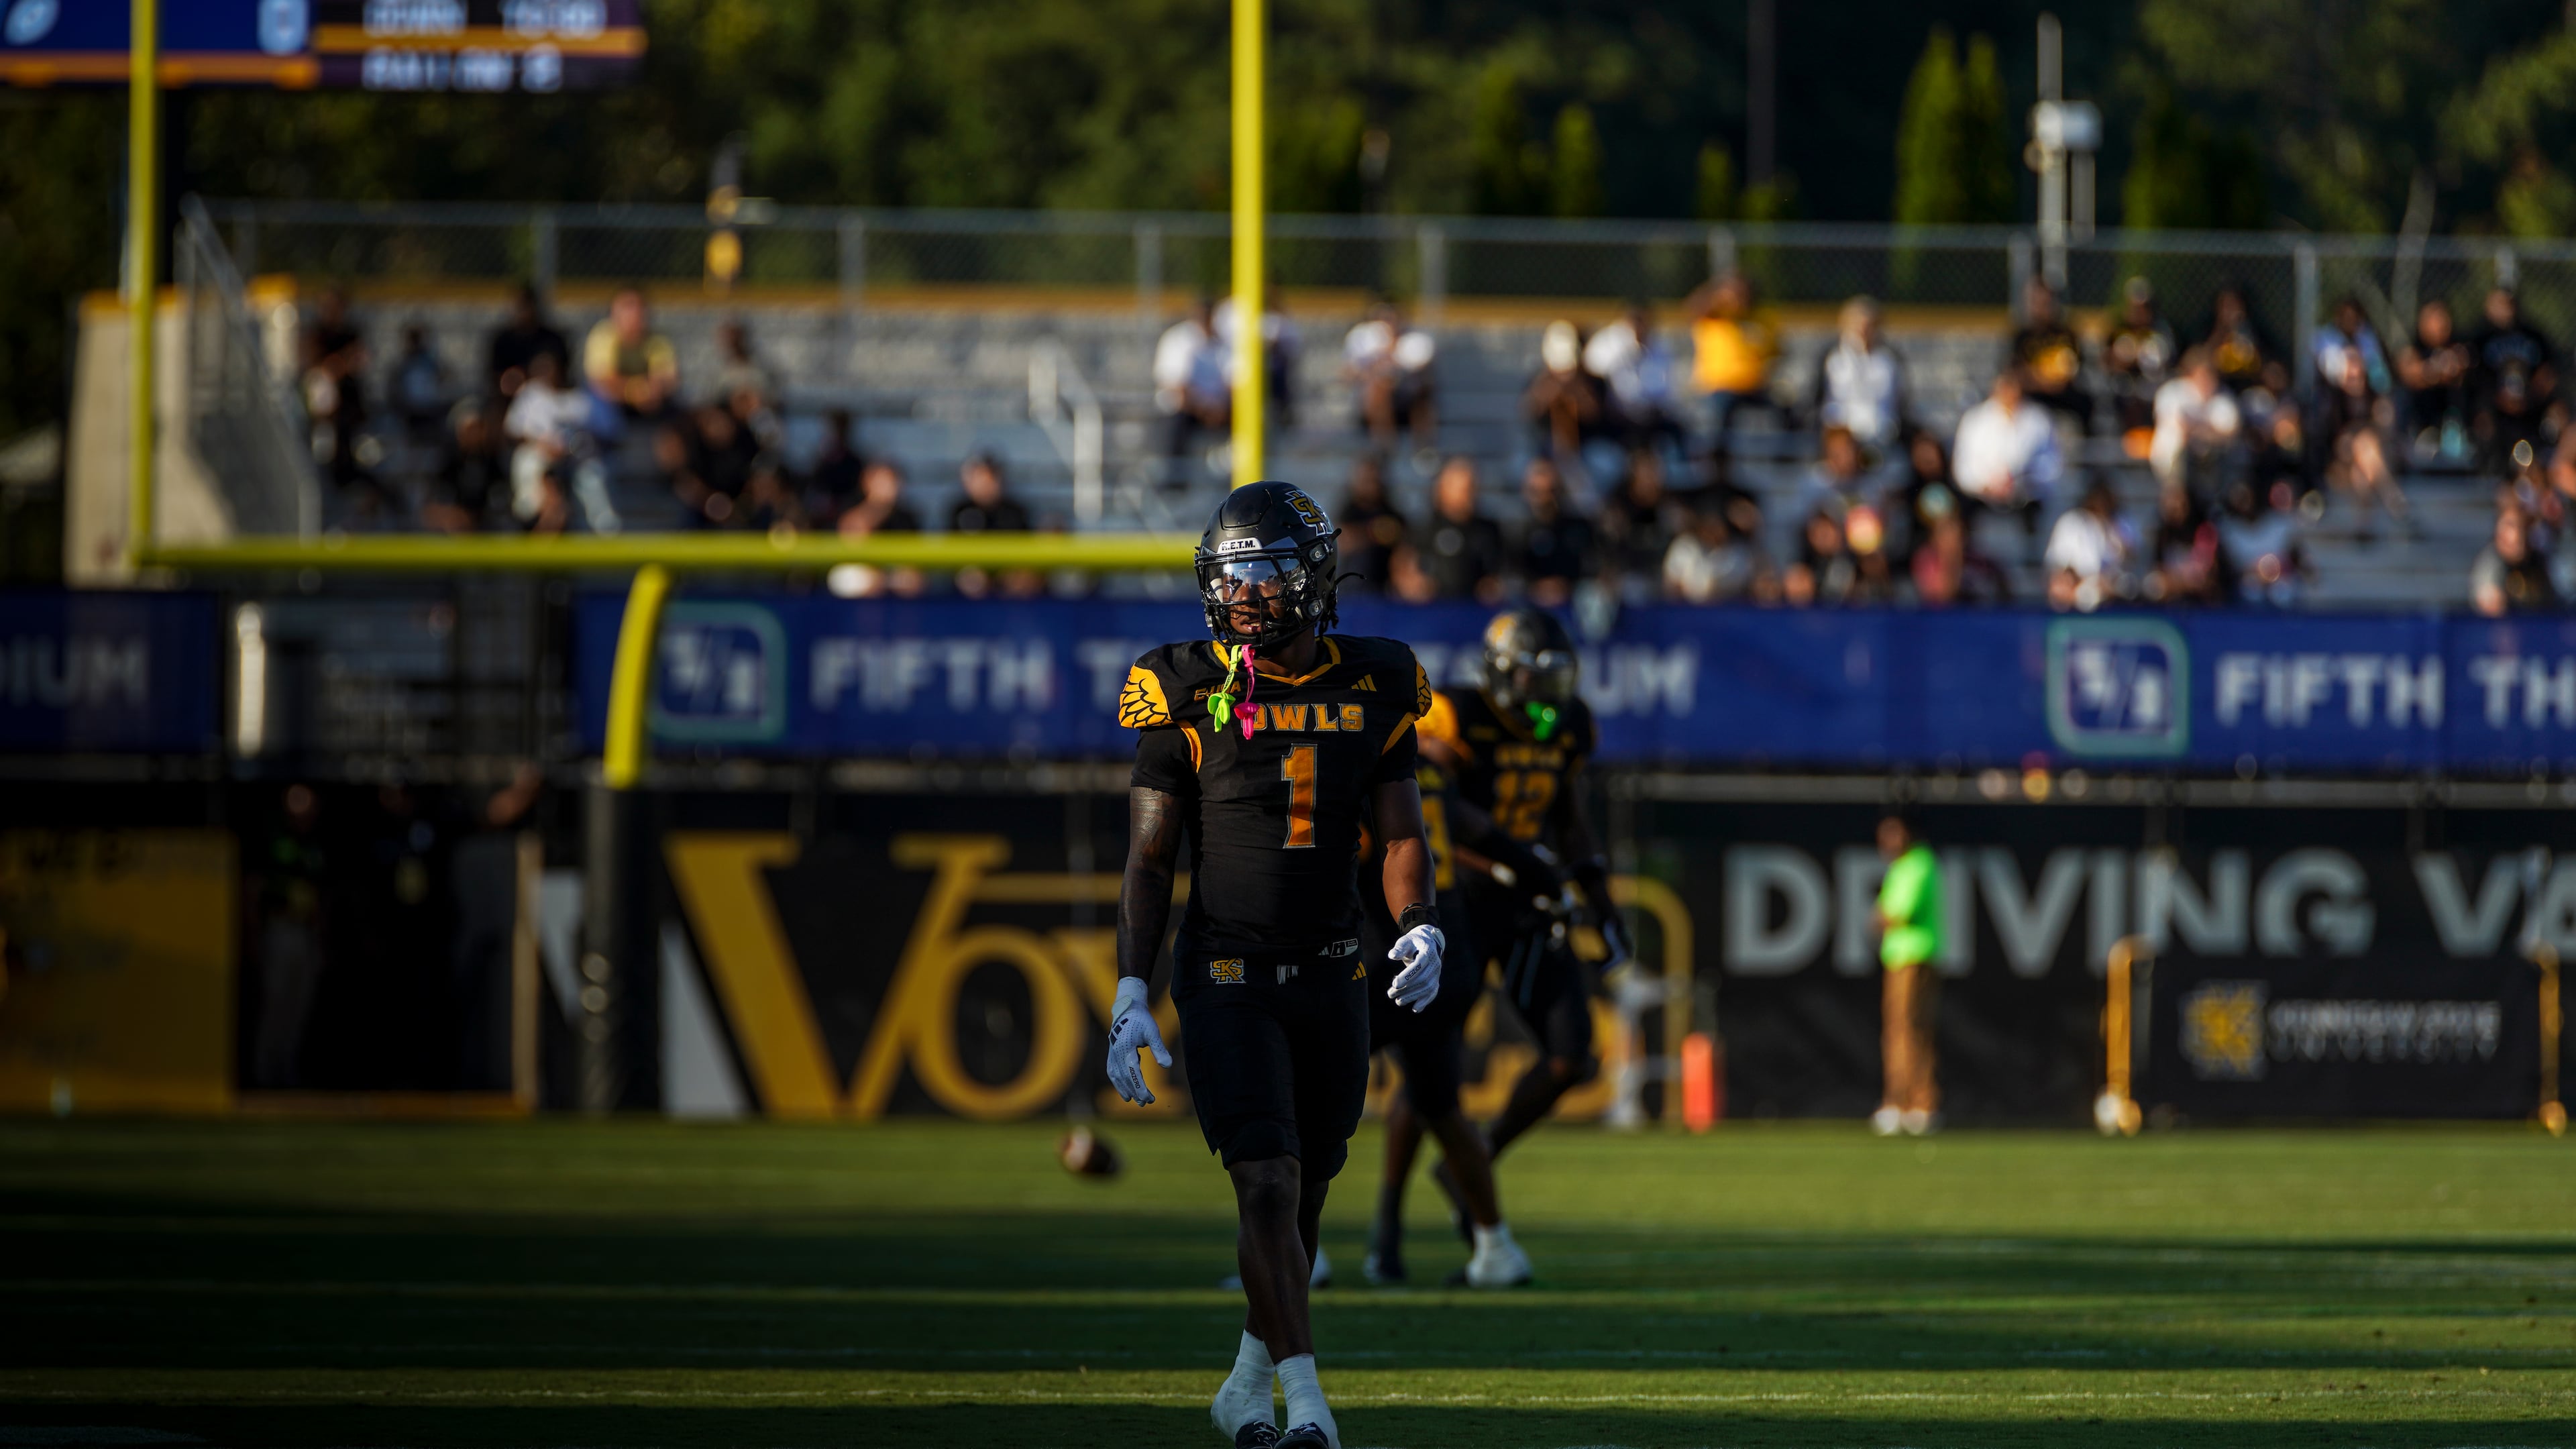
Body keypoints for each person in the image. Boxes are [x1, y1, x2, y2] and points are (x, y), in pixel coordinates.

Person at [1108, 480, 1444, 1449]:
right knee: (1265, 1182)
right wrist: (1133, 987)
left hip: (1334, 970)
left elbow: (1400, 833)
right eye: (1232, 575)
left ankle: (1242, 1390)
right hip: (1226, 975)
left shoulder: (1377, 679)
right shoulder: (1180, 683)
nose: (1246, 595)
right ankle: (1308, 1409)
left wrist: (1420, 922)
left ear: (1314, 576)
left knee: (1305, 1194)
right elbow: (1150, 856)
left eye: (1264, 572)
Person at [1415, 611, 1631, 1238]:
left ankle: (1473, 1159)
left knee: (1572, 1056)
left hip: (1526, 900)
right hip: (1459, 898)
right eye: (1536, 678)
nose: (1548, 695)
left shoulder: (1570, 725)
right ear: (1502, 673)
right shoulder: (1457, 714)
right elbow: (1437, 807)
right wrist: (1509, 865)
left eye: (1556, 678)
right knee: (1432, 1063)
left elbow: (1569, 817)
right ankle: (1386, 1231)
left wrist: (1601, 901)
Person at [1359, 749, 1548, 1290]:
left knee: (1308, 1101)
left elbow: (1357, 851)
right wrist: (1544, 877)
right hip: (1446, 954)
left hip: (1382, 957)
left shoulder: (1360, 759)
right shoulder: (1429, 774)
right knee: (1442, 1107)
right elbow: (1482, 832)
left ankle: (1304, 1254)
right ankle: (1495, 1246)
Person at [1871, 813, 1941, 1138]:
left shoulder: (1919, 864)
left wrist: (1881, 919)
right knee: (1902, 1031)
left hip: (1913, 957)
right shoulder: (1901, 867)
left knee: (1908, 1031)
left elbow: (1896, 915)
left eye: (1894, 835)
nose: (1887, 843)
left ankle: (1913, 1104)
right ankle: (1905, 1102)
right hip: (1899, 957)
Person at [503, 350, 616, 533]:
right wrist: (541, 444)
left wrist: (575, 445)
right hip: (540, 455)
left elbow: (607, 434)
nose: (548, 374)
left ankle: (603, 527)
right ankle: (529, 509)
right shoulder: (530, 395)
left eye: (551, 369)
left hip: (576, 458)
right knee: (527, 463)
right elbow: (512, 431)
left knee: (592, 475)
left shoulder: (583, 397)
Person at [1951, 368, 2061, 528]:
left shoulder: (2039, 420)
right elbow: (1963, 465)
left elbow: (2051, 464)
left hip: (2025, 502)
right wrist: (1986, 484)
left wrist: (2023, 483)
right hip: (1981, 501)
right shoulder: (1974, 419)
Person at [2469, 287, 2558, 474]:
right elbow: (2476, 378)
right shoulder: (2480, 338)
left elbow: (2548, 372)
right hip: (2494, 407)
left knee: (2555, 418)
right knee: (2484, 419)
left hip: (2531, 404)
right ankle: (2491, 469)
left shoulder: (2533, 336)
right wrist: (2499, 398)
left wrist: (2531, 396)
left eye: (2507, 304)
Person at [1583, 303, 1686, 453]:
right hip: (1613, 418)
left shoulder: (1659, 348)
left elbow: (1666, 392)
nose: (1639, 330)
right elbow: (1594, 380)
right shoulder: (1606, 344)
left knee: (1677, 435)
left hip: (1650, 418)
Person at [1686, 271, 1777, 441]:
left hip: (1754, 388)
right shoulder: (1712, 318)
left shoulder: (1762, 321)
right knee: (1720, 414)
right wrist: (1720, 294)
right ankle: (1717, 462)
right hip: (1719, 388)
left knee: (1784, 410)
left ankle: (1782, 460)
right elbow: (1694, 305)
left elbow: (1777, 353)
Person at [1344, 297, 1438, 456]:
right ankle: (1385, 446)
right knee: (1379, 389)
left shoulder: (1415, 342)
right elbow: (1348, 373)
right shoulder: (1362, 341)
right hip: (1371, 404)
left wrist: (1391, 356)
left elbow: (1423, 369)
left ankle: (1423, 448)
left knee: (1422, 395)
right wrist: (1372, 369)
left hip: (1407, 402)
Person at [1811, 296, 1905, 451]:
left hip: (1883, 437)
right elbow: (1817, 398)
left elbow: (1900, 401)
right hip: (1839, 438)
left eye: (1869, 326)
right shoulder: (1831, 357)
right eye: (1857, 326)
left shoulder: (1889, 359)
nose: (1863, 332)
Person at [1409, 456, 1506, 604]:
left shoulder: (1488, 530)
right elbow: (1406, 564)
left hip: (1475, 612)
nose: (1468, 495)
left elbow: (1502, 571)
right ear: (1443, 488)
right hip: (1433, 612)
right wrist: (1415, 582)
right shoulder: (1425, 528)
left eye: (1472, 488)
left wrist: (1493, 586)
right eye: (1462, 489)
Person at [1155, 296, 1234, 476]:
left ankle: (1239, 479)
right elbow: (1178, 388)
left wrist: (1219, 409)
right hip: (1186, 411)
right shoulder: (1178, 340)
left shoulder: (1225, 343)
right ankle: (1175, 483)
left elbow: (1235, 382)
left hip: (1219, 410)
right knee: (1176, 424)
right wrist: (1206, 410)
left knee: (1252, 421)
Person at [2150, 347, 2243, 496]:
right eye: (2203, 375)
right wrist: (2209, 430)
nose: (2208, 381)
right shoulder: (2172, 393)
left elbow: (2230, 433)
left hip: (2211, 464)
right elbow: (2182, 429)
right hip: (2173, 466)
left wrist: (2198, 429)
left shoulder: (2223, 397)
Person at [583, 285, 680, 422]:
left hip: (650, 400)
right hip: (611, 401)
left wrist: (654, 391)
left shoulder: (658, 341)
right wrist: (635, 392)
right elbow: (603, 381)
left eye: (640, 308)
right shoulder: (603, 336)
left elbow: (669, 379)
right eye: (628, 308)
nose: (635, 314)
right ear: (614, 313)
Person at [2043, 476, 2137, 612]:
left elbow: (2132, 560)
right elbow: (2059, 567)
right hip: (2079, 591)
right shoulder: (2071, 522)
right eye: (2098, 497)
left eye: (2106, 497)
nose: (2101, 502)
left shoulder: (2122, 523)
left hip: (2115, 591)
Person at [949, 453, 1037, 599]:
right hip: (968, 595)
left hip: (1009, 592)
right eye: (980, 477)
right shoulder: (959, 510)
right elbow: (950, 554)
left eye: (991, 477)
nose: (986, 483)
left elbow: (1028, 556)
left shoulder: (1016, 511)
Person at [1511, 458, 1594, 608]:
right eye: (1536, 492)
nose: (1544, 499)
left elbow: (1591, 568)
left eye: (1550, 491)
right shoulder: (1519, 531)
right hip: (1530, 607)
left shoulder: (1579, 528)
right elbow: (1512, 574)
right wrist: (1535, 587)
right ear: (1526, 492)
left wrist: (1566, 586)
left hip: (1574, 605)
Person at [2396, 298, 2473, 459]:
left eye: (2444, 317)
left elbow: (2460, 370)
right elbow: (2410, 372)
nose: (2442, 324)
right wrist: (2436, 371)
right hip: (2421, 424)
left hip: (2452, 424)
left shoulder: (2458, 348)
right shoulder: (2414, 349)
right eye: (2435, 318)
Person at [1218, 282, 1301, 429]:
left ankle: (1281, 417)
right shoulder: (1230, 310)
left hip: (1266, 370)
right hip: (1233, 366)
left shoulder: (1275, 315)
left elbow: (1291, 347)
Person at [2102, 276, 2176, 439]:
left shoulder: (2160, 330)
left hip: (2152, 381)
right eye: (2134, 307)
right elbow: (2107, 361)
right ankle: (2127, 438)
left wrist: (2137, 356)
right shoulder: (2119, 329)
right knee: (2121, 390)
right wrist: (2119, 360)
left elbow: (2163, 363)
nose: (2138, 313)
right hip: (2124, 382)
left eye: (2143, 308)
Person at [2011, 278, 2090, 430]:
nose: (2043, 308)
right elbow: (2016, 372)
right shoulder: (2022, 336)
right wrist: (2041, 381)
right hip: (2033, 394)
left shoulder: (2067, 333)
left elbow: (2076, 366)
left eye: (2047, 302)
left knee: (2085, 401)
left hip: (2063, 393)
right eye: (2038, 302)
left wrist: (2057, 381)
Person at [1522, 321, 1601, 464]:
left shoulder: (1592, 382)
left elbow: (1594, 415)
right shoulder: (1539, 381)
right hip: (1545, 450)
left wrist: (1575, 389)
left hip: (1587, 448)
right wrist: (1552, 389)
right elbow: (1529, 411)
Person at [1662, 492, 1761, 603]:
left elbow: (1748, 589)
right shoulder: (1685, 547)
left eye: (1717, 525)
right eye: (1708, 525)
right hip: (1688, 611)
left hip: (1728, 612)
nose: (1713, 531)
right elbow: (1672, 586)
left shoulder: (1740, 552)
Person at [486, 282, 570, 403]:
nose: (522, 311)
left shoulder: (552, 340)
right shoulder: (502, 341)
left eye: (526, 305)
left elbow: (561, 378)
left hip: (547, 402)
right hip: (507, 402)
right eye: (518, 306)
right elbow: (497, 380)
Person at [1334, 453, 1405, 595]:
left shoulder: (1390, 511)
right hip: (1351, 590)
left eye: (1374, 480)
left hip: (1384, 590)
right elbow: (1341, 541)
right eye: (1366, 480)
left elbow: (1402, 537)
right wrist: (1374, 533)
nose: (1371, 485)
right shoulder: (1349, 510)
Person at [2471, 502, 2558, 616]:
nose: (2518, 534)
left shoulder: (2538, 561)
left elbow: (2552, 603)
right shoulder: (2490, 566)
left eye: (2523, 526)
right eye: (2511, 526)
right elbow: (2492, 609)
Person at [2200, 284, 2274, 394]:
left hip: (2250, 386)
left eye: (2235, 304)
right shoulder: (2207, 328)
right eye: (2226, 306)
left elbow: (2267, 358)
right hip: (2218, 386)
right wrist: (2223, 330)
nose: (2232, 310)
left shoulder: (2254, 330)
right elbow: (2201, 357)